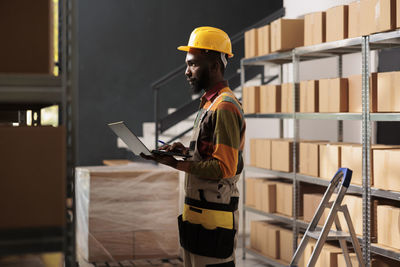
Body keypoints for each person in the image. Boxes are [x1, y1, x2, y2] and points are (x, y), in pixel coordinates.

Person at [141, 26, 245, 267]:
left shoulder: (225, 106)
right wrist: (182, 151)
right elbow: (210, 152)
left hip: (213, 214)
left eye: (193, 64)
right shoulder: (209, 103)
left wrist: (178, 164)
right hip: (200, 210)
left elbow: (224, 168)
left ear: (215, 66)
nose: (187, 72)